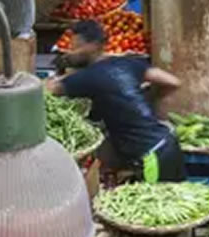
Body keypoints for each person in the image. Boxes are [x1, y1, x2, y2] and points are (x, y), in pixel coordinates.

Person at [46, 20, 185, 182]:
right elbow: (173, 82)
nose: (70, 53)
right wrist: (147, 100)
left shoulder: (86, 77)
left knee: (157, 203)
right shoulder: (127, 63)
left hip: (150, 157)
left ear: (91, 46)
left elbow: (48, 90)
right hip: (168, 143)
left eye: (75, 48)